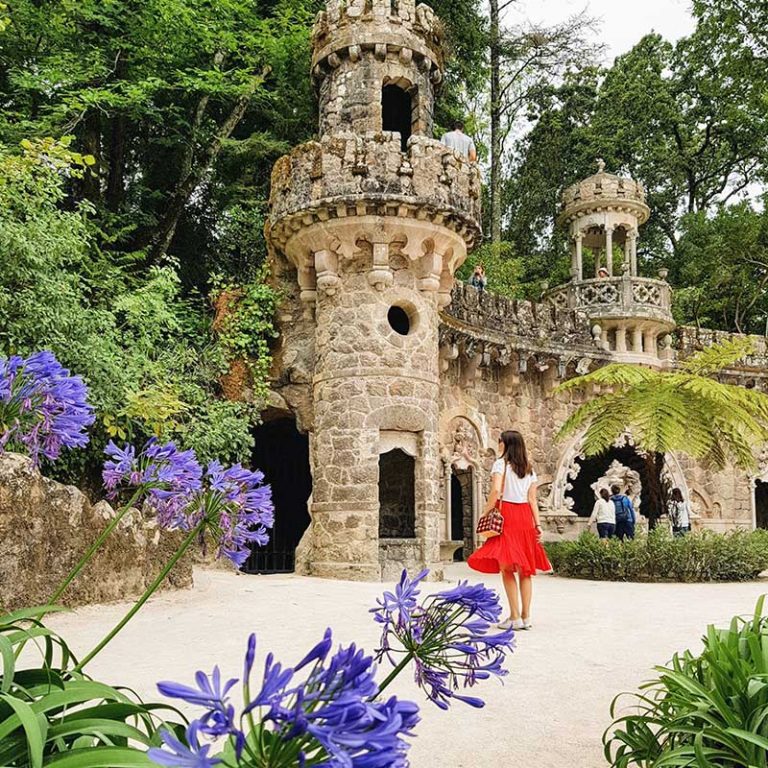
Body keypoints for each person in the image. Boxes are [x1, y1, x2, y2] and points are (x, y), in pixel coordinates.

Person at [468, 430, 552, 631]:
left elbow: (496, 490)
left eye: (500, 441)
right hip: (525, 518)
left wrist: (485, 511)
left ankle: (514, 617)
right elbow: (532, 499)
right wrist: (538, 524)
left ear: (506, 444)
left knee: (506, 568)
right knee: (525, 570)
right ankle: (526, 616)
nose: (498, 444)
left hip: (508, 516)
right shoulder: (529, 469)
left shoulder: (500, 464)